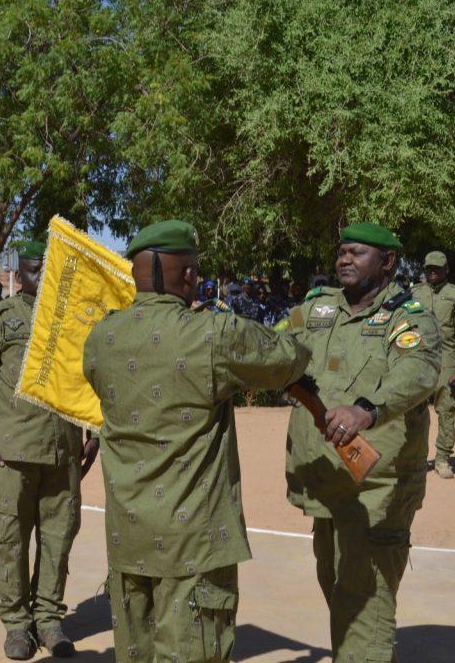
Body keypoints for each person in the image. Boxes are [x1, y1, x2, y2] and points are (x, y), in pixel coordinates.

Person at [83, 220, 311, 662]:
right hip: (193, 544)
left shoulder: (101, 338)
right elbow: (290, 359)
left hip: (128, 536)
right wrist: (302, 320)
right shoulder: (213, 335)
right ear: (188, 276)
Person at [282, 222, 440, 661]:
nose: (344, 260)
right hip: (327, 485)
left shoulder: (407, 317)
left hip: (376, 487)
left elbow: (419, 372)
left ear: (387, 261)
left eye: (357, 253)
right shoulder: (315, 308)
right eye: (342, 252)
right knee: (338, 588)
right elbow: (276, 342)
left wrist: (367, 411)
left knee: (364, 604)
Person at [0, 241, 98, 660]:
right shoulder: (1, 320)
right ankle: (18, 624)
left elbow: (89, 379)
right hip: (14, 454)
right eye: (34, 271)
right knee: (13, 541)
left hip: (63, 453)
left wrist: (94, 429)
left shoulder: (74, 320)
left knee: (58, 540)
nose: (42, 278)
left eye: (47, 270)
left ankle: (49, 619)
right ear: (19, 274)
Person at [411, 251, 455, 479]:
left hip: (447, 360)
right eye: (429, 268)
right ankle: (416, 458)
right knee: (413, 412)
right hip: (417, 359)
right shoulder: (414, 294)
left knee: (446, 410)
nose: (432, 272)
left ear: (447, 270)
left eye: (437, 268)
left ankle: (443, 458)